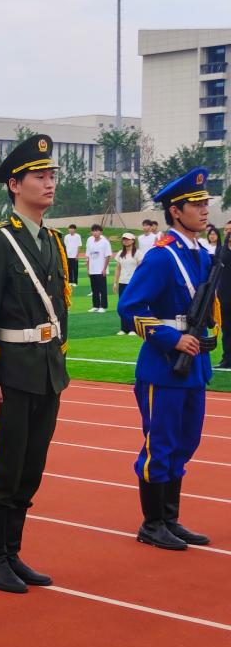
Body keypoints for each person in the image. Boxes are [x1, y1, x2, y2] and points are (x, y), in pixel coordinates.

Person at [0, 134, 70, 594]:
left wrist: (58, 364)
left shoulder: (53, 241)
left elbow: (60, 310)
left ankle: (12, 553)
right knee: (3, 467)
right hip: (9, 374)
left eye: (51, 175)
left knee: (31, 467)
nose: (49, 183)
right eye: (39, 176)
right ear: (14, 184)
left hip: (45, 371)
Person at [118, 168, 217, 550]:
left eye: (206, 202)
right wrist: (173, 339)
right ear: (176, 211)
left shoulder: (203, 254)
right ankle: (153, 523)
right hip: (164, 366)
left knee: (186, 442)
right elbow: (130, 308)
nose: (204, 209)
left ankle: (171, 519)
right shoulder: (161, 257)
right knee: (160, 443)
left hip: (195, 365)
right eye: (196, 203)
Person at [112, 232, 141, 336]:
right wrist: (115, 282)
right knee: (123, 306)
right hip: (123, 282)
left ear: (133, 241)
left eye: (128, 239)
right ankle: (124, 328)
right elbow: (118, 268)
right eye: (124, 239)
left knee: (133, 306)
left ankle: (133, 329)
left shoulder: (138, 253)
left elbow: (140, 269)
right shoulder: (120, 253)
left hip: (133, 283)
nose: (125, 241)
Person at [85, 224, 112, 312]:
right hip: (92, 269)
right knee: (94, 289)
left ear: (101, 232)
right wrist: (88, 269)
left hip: (101, 270)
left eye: (97, 231)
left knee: (102, 289)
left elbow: (107, 256)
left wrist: (104, 269)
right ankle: (95, 306)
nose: (95, 233)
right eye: (93, 231)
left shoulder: (105, 242)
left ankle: (103, 306)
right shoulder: (90, 242)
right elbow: (88, 256)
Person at [217, 220, 231, 370]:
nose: (228, 232)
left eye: (230, 230)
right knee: (226, 329)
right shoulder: (222, 249)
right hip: (224, 295)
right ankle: (227, 358)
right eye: (226, 230)